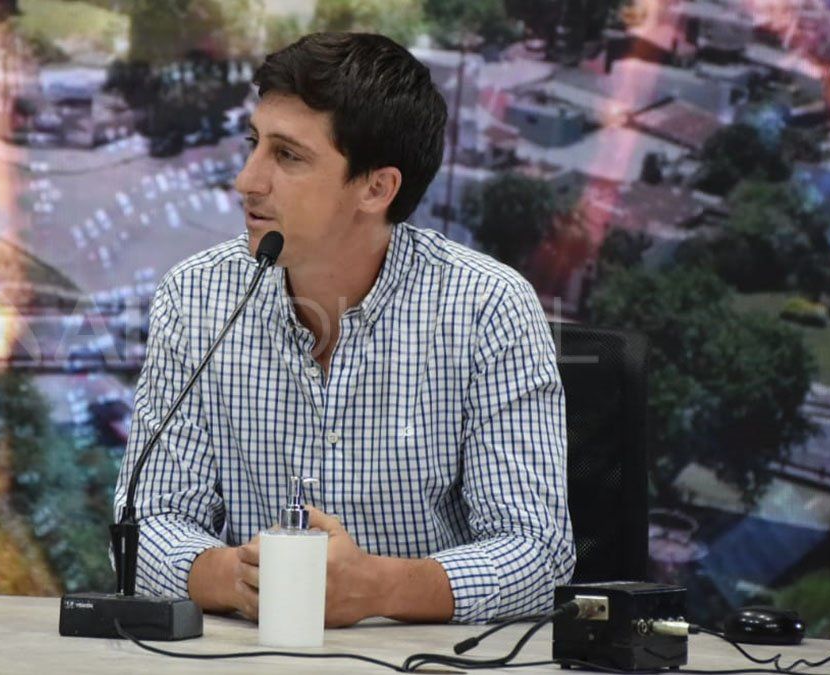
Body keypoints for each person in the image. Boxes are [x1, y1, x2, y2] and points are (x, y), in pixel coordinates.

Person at [114, 31, 574, 627]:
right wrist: (238, 579)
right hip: (251, 652)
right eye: (254, 144)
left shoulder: (488, 307)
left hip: (419, 657)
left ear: (376, 188)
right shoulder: (196, 295)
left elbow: (539, 555)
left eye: (287, 156)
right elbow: (144, 525)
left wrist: (377, 590)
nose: (247, 181)